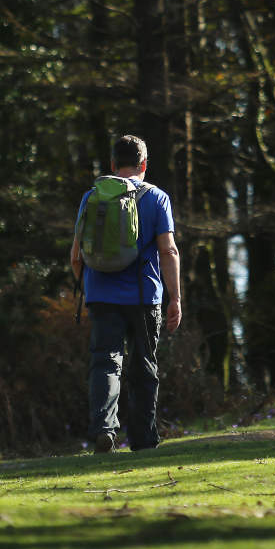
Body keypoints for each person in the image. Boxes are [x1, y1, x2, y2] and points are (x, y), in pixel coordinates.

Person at [70, 135, 182, 453]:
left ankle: (104, 428)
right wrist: (175, 298)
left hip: (101, 295)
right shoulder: (157, 198)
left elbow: (76, 255)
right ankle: (144, 440)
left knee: (105, 361)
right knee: (143, 364)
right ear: (144, 164)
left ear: (112, 165)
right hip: (144, 296)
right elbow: (168, 250)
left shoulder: (92, 197)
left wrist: (91, 285)